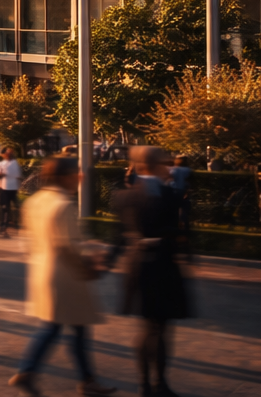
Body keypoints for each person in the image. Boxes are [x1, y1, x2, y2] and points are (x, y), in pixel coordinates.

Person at [8, 157, 115, 397]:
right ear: (65, 177)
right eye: (76, 173)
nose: (80, 177)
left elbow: (28, 241)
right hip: (67, 275)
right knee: (65, 328)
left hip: (43, 271)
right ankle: (31, 373)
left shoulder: (35, 201)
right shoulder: (63, 204)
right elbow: (70, 245)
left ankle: (35, 373)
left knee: (61, 327)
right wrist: (93, 258)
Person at [112, 146, 190, 397]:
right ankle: (158, 383)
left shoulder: (125, 196)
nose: (168, 166)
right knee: (160, 329)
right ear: (152, 165)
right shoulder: (170, 195)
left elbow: (118, 237)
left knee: (148, 327)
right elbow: (178, 231)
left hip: (137, 266)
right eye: (164, 163)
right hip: (162, 267)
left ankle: (145, 384)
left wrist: (106, 261)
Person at [0, 147, 23, 237]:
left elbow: (18, 176)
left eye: (11, 153)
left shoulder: (15, 163)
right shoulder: (1, 164)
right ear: (4, 155)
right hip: (5, 189)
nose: (9, 154)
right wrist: (0, 175)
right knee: (5, 209)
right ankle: (3, 228)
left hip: (13, 189)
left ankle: (11, 223)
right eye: (8, 153)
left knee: (14, 208)